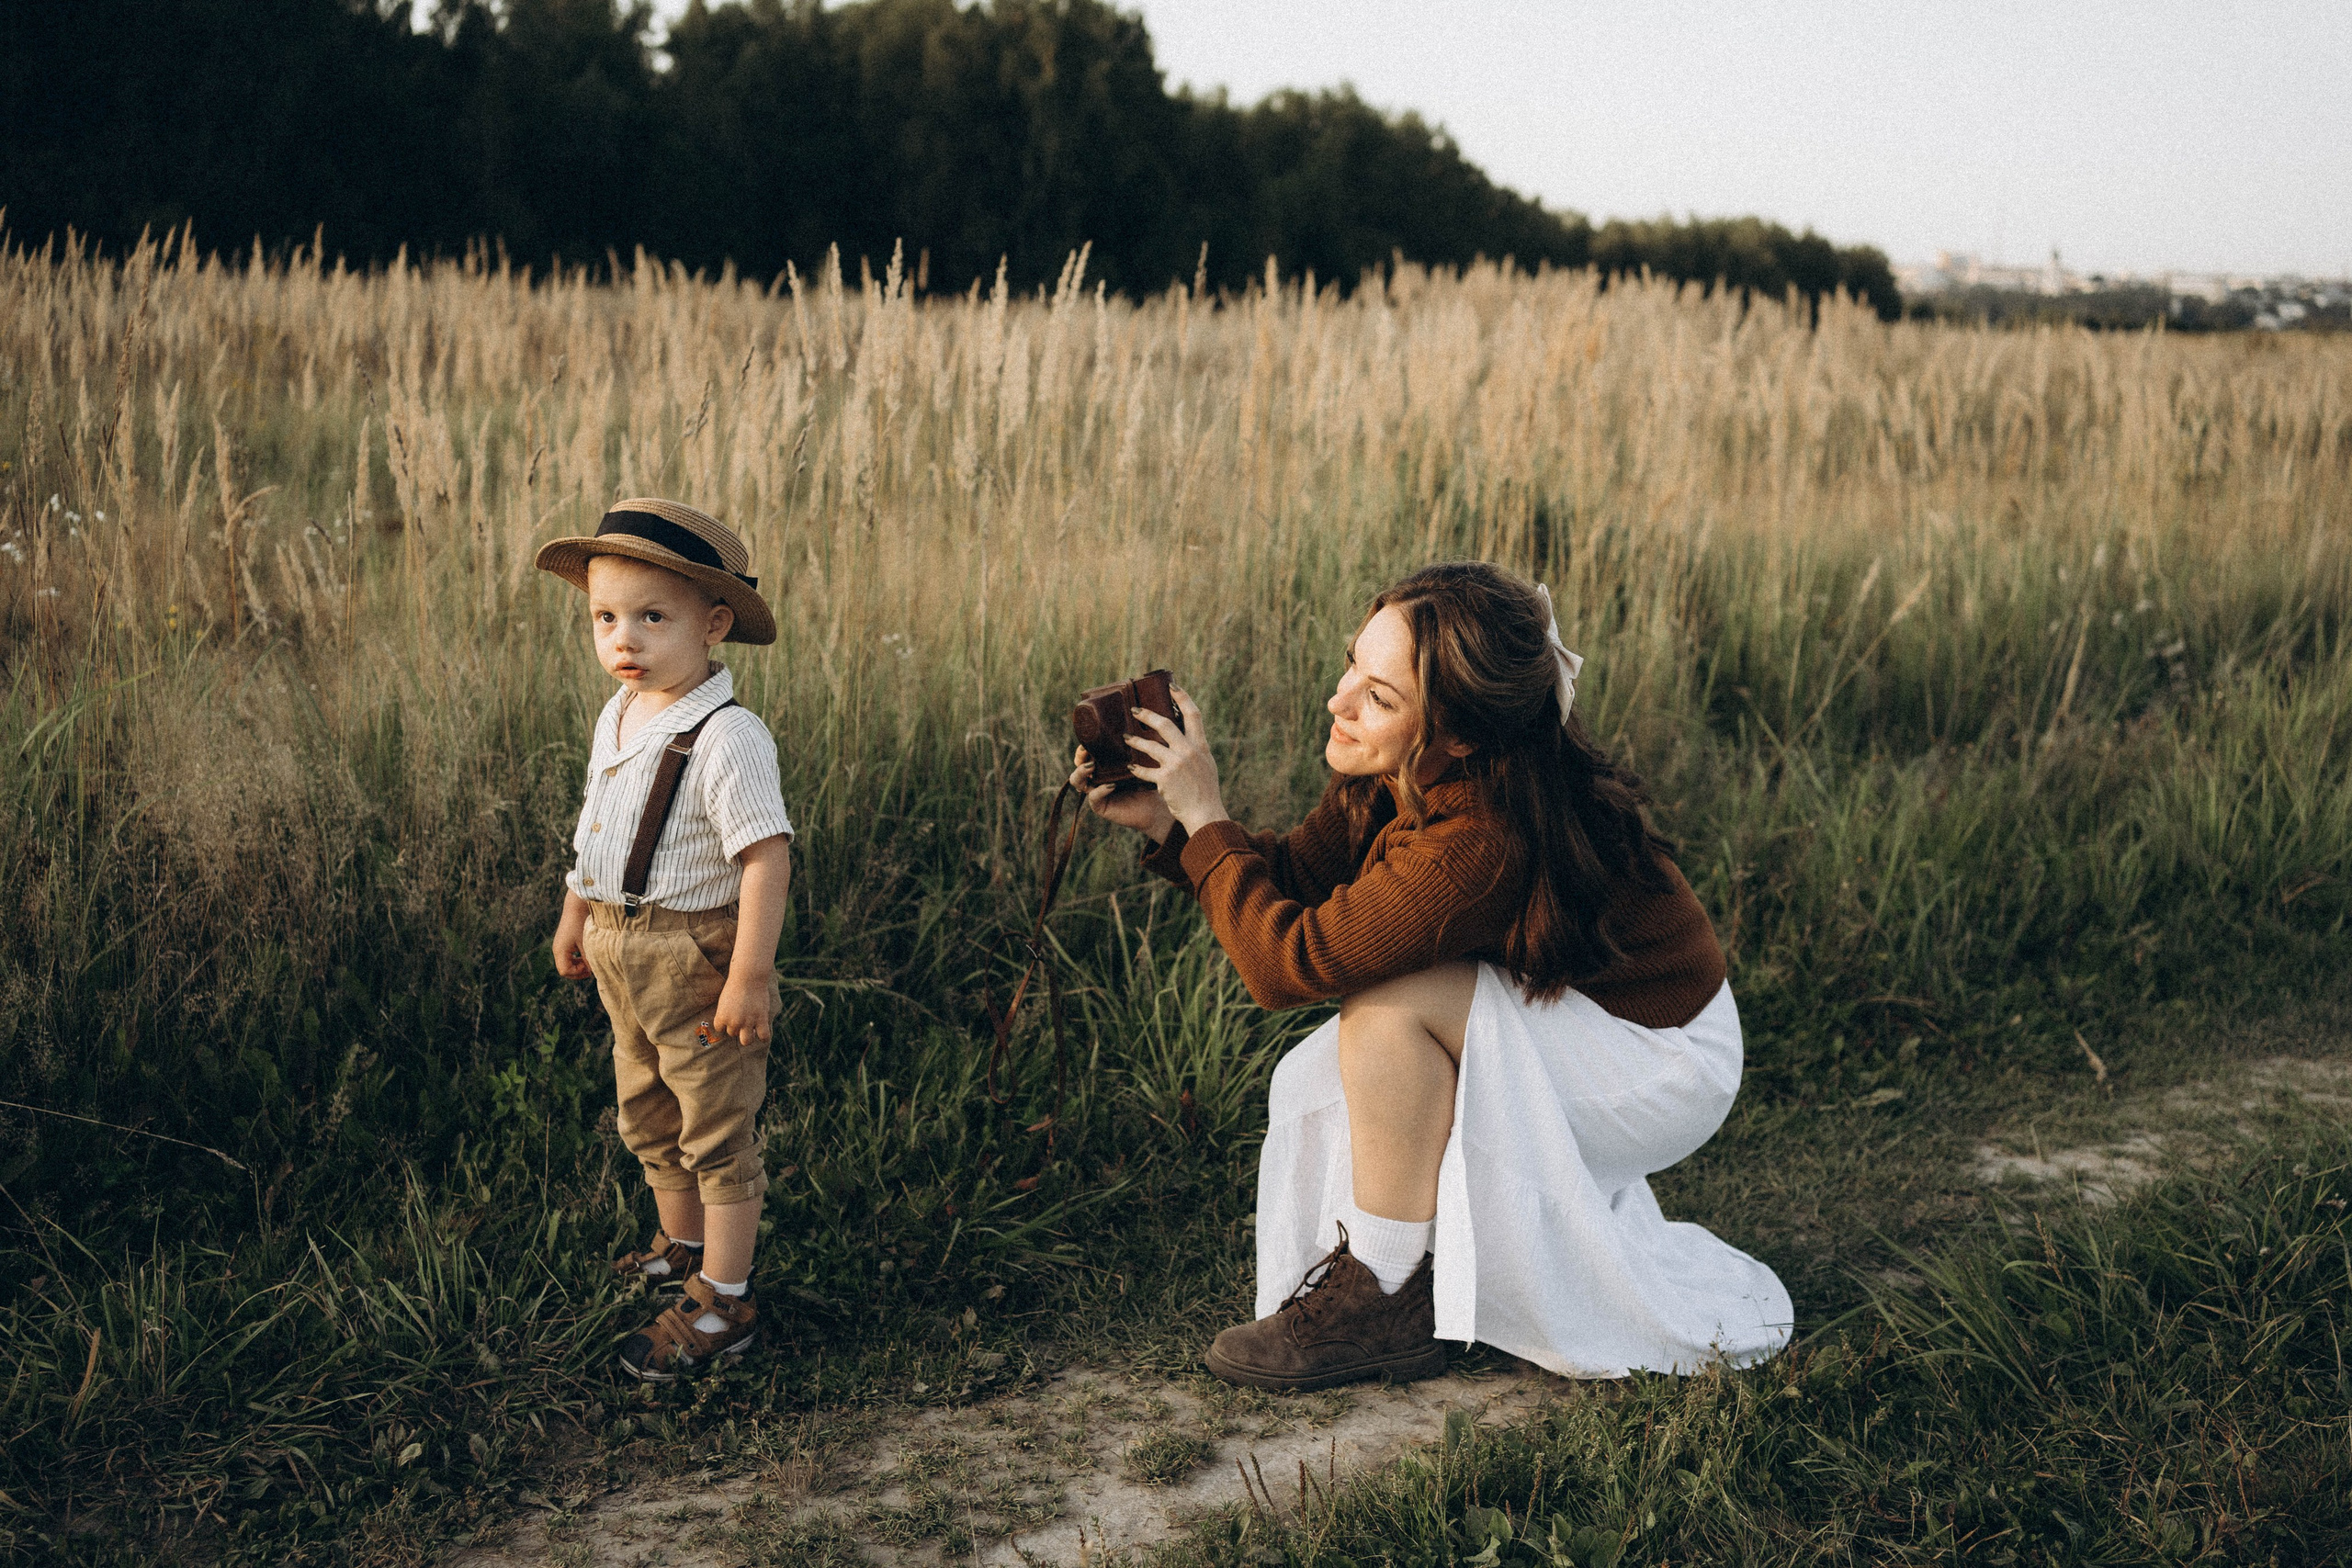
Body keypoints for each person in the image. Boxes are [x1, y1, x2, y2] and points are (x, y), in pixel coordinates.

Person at [1077, 561, 1791, 1390]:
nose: (1340, 700)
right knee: (1337, 1054)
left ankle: (1384, 1297)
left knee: (1389, 1009)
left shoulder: (1482, 838)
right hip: (1584, 1015)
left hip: (1663, 1059)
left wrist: (1207, 814)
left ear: (1462, 736)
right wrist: (1170, 824)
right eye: (1353, 664)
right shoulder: (1404, 773)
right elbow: (1298, 880)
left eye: (1379, 697)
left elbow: (1287, 964)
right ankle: (1406, 1277)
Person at [537, 498, 795, 1382]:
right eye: (605, 617)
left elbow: (765, 856)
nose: (625, 639)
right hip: (622, 950)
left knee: (714, 1123)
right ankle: (680, 1246)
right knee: (647, 1109)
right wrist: (577, 912)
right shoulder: (620, 714)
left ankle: (726, 1297)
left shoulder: (728, 736)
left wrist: (749, 973)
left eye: (653, 617)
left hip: (695, 958)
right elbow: (597, 829)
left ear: (714, 624)